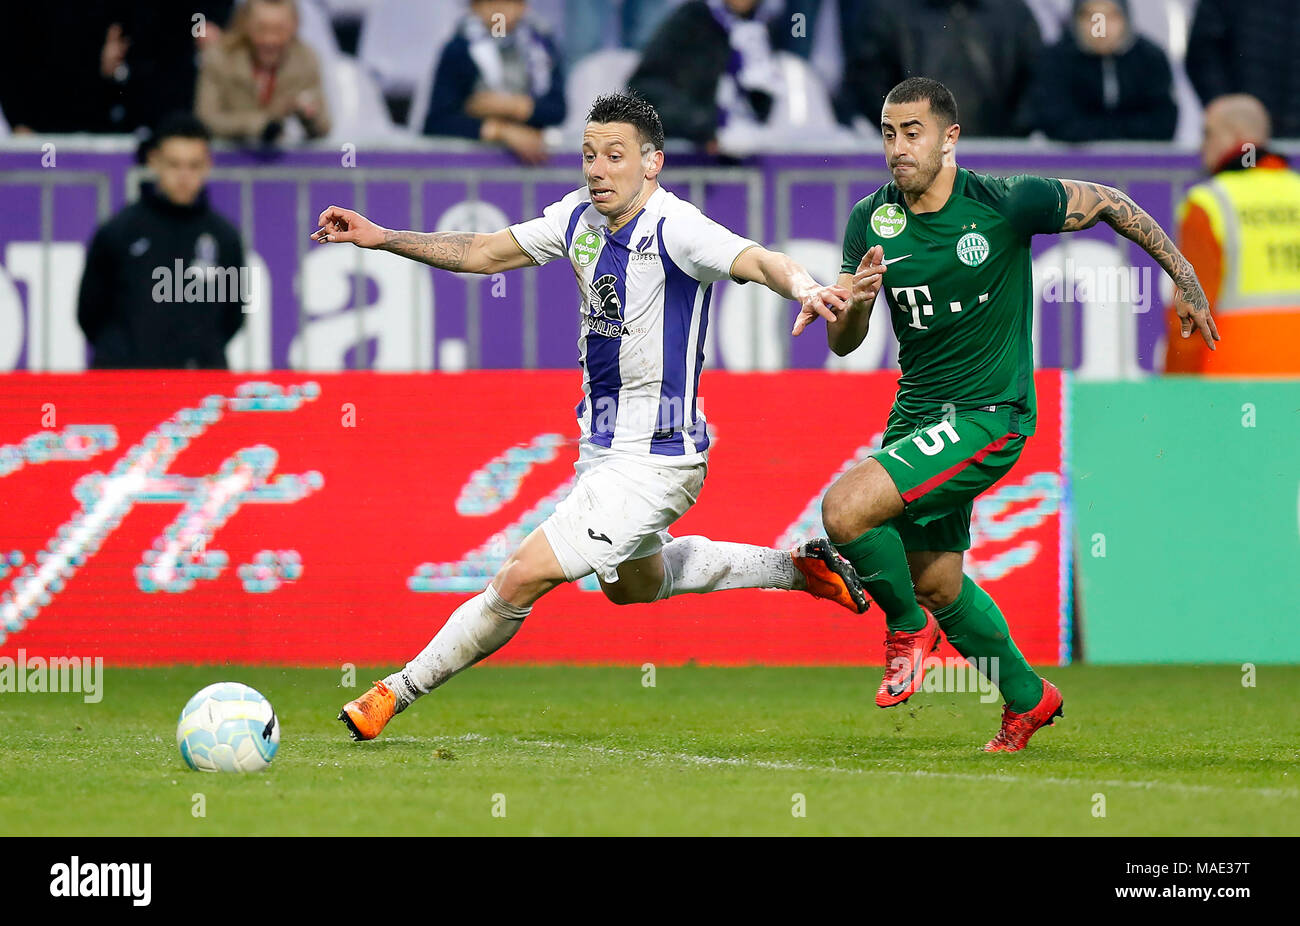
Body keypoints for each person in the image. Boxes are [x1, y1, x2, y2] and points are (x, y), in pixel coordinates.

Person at [314, 92, 868, 741]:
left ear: (652, 162)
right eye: (588, 155)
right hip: (603, 453)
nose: (598, 169)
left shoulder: (677, 227)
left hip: (659, 458)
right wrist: (384, 238)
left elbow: (758, 259)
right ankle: (797, 568)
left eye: (615, 156)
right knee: (635, 585)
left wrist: (803, 286)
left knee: (522, 575)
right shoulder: (577, 219)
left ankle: (393, 692)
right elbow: (485, 251)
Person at [793, 77, 1218, 751]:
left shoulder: (1003, 202)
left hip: (991, 413)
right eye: (888, 134)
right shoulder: (872, 220)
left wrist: (1186, 281)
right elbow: (843, 339)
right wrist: (858, 302)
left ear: (949, 137)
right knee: (936, 580)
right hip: (919, 415)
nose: (898, 149)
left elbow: (1110, 203)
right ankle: (1028, 696)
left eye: (913, 133)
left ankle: (904, 629)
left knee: (845, 510)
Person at [77, 114, 246, 370]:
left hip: (198, 383)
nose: (184, 175)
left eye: (193, 165)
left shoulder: (224, 237)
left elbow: (233, 316)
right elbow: (89, 312)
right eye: (174, 164)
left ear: (208, 165)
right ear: (154, 161)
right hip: (128, 384)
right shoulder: (119, 231)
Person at [1164, 95, 1300, 375]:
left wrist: (1176, 385)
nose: (1201, 146)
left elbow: (1190, 313)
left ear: (1235, 136)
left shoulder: (1210, 203)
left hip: (1236, 383)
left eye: (1208, 134)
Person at [835, 0, 1042, 138]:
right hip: (911, 165)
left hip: (995, 164)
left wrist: (1003, 144)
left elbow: (1038, 85)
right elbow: (868, 86)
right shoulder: (886, 11)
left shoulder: (1013, 13)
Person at [627, 0, 785, 152]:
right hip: (689, 151)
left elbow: (765, 109)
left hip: (747, 148)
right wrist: (702, 128)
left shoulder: (762, 30)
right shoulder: (692, 19)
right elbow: (644, 89)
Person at [422, 0, 566, 165]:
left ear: (523, 7)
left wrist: (510, 106)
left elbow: (557, 110)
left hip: (533, 165)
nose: (499, 9)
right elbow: (437, 122)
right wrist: (502, 131)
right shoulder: (458, 50)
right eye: (490, 2)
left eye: (508, 2)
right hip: (471, 165)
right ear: (474, 7)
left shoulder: (542, 48)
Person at [1028, 0, 1176, 142]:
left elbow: (1163, 121)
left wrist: (1104, 132)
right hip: (1071, 164)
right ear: (1076, 20)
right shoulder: (1057, 59)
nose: (1100, 28)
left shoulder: (1149, 58)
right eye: (1091, 17)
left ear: (1125, 18)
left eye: (1110, 17)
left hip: (1143, 164)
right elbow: (1056, 121)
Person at [195, 0, 330, 144]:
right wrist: (259, 125)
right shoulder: (219, 58)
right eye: (261, 29)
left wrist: (308, 116)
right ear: (246, 25)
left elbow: (324, 127)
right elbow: (205, 121)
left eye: (279, 30)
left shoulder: (305, 60)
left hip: (284, 161)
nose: (269, 40)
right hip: (228, 158)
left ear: (295, 27)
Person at [1186, 0, 1300, 141]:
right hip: (1242, 135)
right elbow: (1203, 54)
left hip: (1285, 128)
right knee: (1250, 160)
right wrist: (1229, 114)